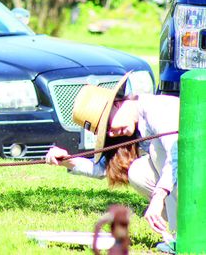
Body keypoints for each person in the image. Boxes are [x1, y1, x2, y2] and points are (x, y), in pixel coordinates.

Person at [45, 72, 179, 253]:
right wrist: (67, 161)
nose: (112, 134)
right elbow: (102, 169)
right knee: (138, 172)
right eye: (105, 133)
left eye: (108, 126)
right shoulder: (128, 128)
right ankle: (181, 233)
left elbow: (176, 153)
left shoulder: (154, 109)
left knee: (157, 151)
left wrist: (158, 198)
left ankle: (184, 235)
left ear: (117, 104)